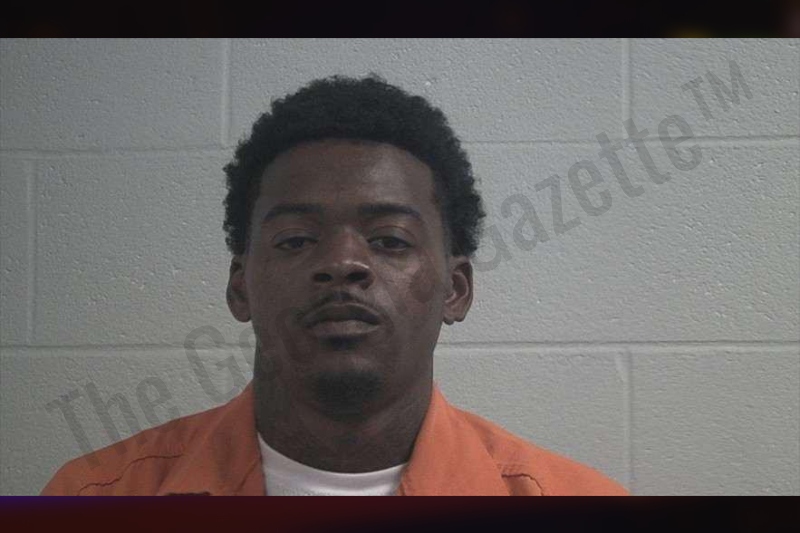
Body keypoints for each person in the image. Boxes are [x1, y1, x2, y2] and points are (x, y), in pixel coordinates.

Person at [42, 74, 627, 496]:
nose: (343, 263)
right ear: (241, 287)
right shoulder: (94, 497)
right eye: (296, 240)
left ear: (455, 289)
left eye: (390, 240)